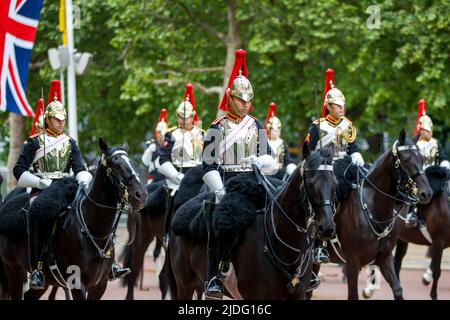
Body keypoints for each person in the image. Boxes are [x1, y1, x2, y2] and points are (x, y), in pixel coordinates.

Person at [202, 49, 275, 299]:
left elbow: (270, 158)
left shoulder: (256, 124)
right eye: (241, 99)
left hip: (255, 180)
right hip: (228, 182)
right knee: (222, 222)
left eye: (249, 99)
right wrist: (219, 190)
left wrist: (259, 159)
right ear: (230, 98)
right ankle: (215, 274)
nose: (246, 103)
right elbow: (208, 164)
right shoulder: (217, 127)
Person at [304, 68, 364, 264]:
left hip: (345, 167)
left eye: (343, 105)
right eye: (337, 106)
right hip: (324, 170)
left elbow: (353, 147)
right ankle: (318, 245)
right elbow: (309, 151)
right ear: (328, 106)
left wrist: (357, 154)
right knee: (323, 199)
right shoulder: (317, 125)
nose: (341, 108)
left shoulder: (348, 125)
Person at [157, 83, 204, 246]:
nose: (184, 121)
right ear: (177, 117)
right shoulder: (171, 135)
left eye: (188, 117)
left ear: (193, 116)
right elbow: (162, 159)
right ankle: (167, 234)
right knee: (172, 199)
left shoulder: (202, 135)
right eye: (181, 117)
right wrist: (177, 176)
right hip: (177, 176)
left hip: (198, 177)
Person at [404, 99, 449, 227]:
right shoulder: (416, 144)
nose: (429, 132)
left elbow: (442, 156)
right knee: (416, 189)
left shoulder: (435, 143)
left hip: (434, 171)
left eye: (430, 130)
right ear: (421, 130)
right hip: (419, 172)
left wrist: (445, 163)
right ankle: (412, 214)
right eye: (426, 130)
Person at [265, 102, 297, 177]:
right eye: (275, 130)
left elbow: (287, 160)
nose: (277, 132)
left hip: (280, 174)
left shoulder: (282, 143)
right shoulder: (264, 143)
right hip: (266, 175)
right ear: (269, 130)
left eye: (279, 129)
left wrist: (291, 167)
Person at [142, 108, 169, 185]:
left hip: (166, 178)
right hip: (153, 178)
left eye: (163, 133)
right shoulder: (152, 144)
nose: (161, 136)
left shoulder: (169, 144)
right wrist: (149, 151)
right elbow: (145, 162)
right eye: (159, 133)